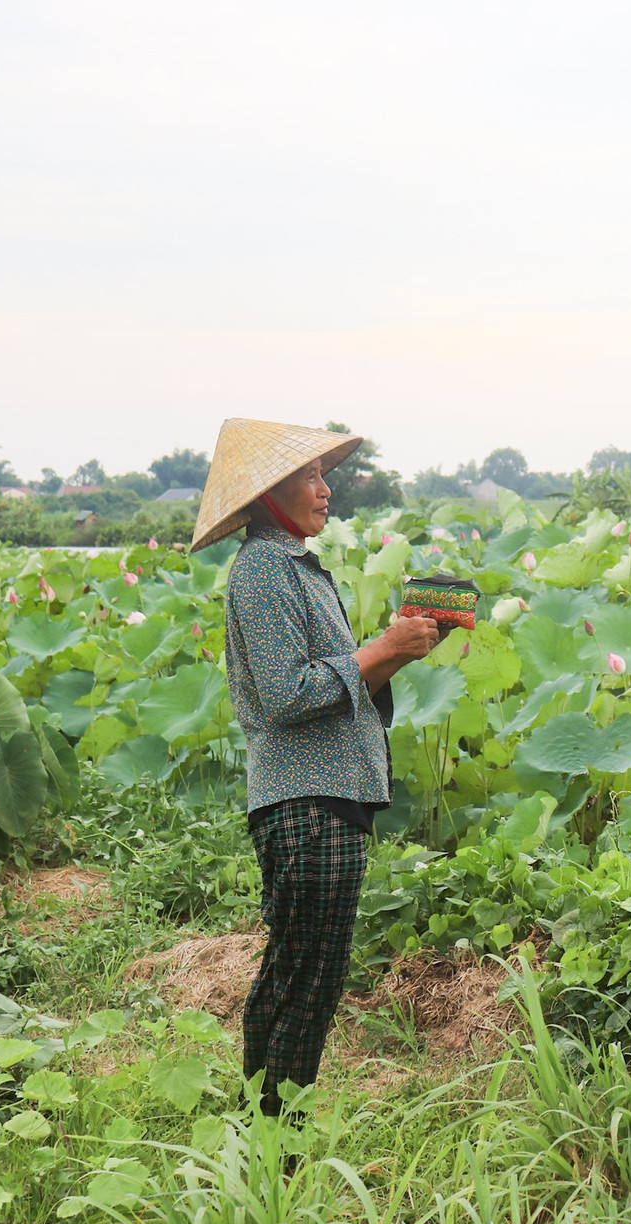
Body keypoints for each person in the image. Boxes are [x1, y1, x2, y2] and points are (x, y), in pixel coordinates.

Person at [192, 417, 441, 1117]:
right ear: (272, 493)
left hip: (329, 793)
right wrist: (378, 648)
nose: (326, 489)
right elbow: (287, 694)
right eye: (310, 476)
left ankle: (269, 1127)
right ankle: (275, 1133)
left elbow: (341, 679)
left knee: (307, 973)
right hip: (304, 799)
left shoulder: (294, 566)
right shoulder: (264, 570)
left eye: (323, 474)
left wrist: (400, 648)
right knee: (304, 976)